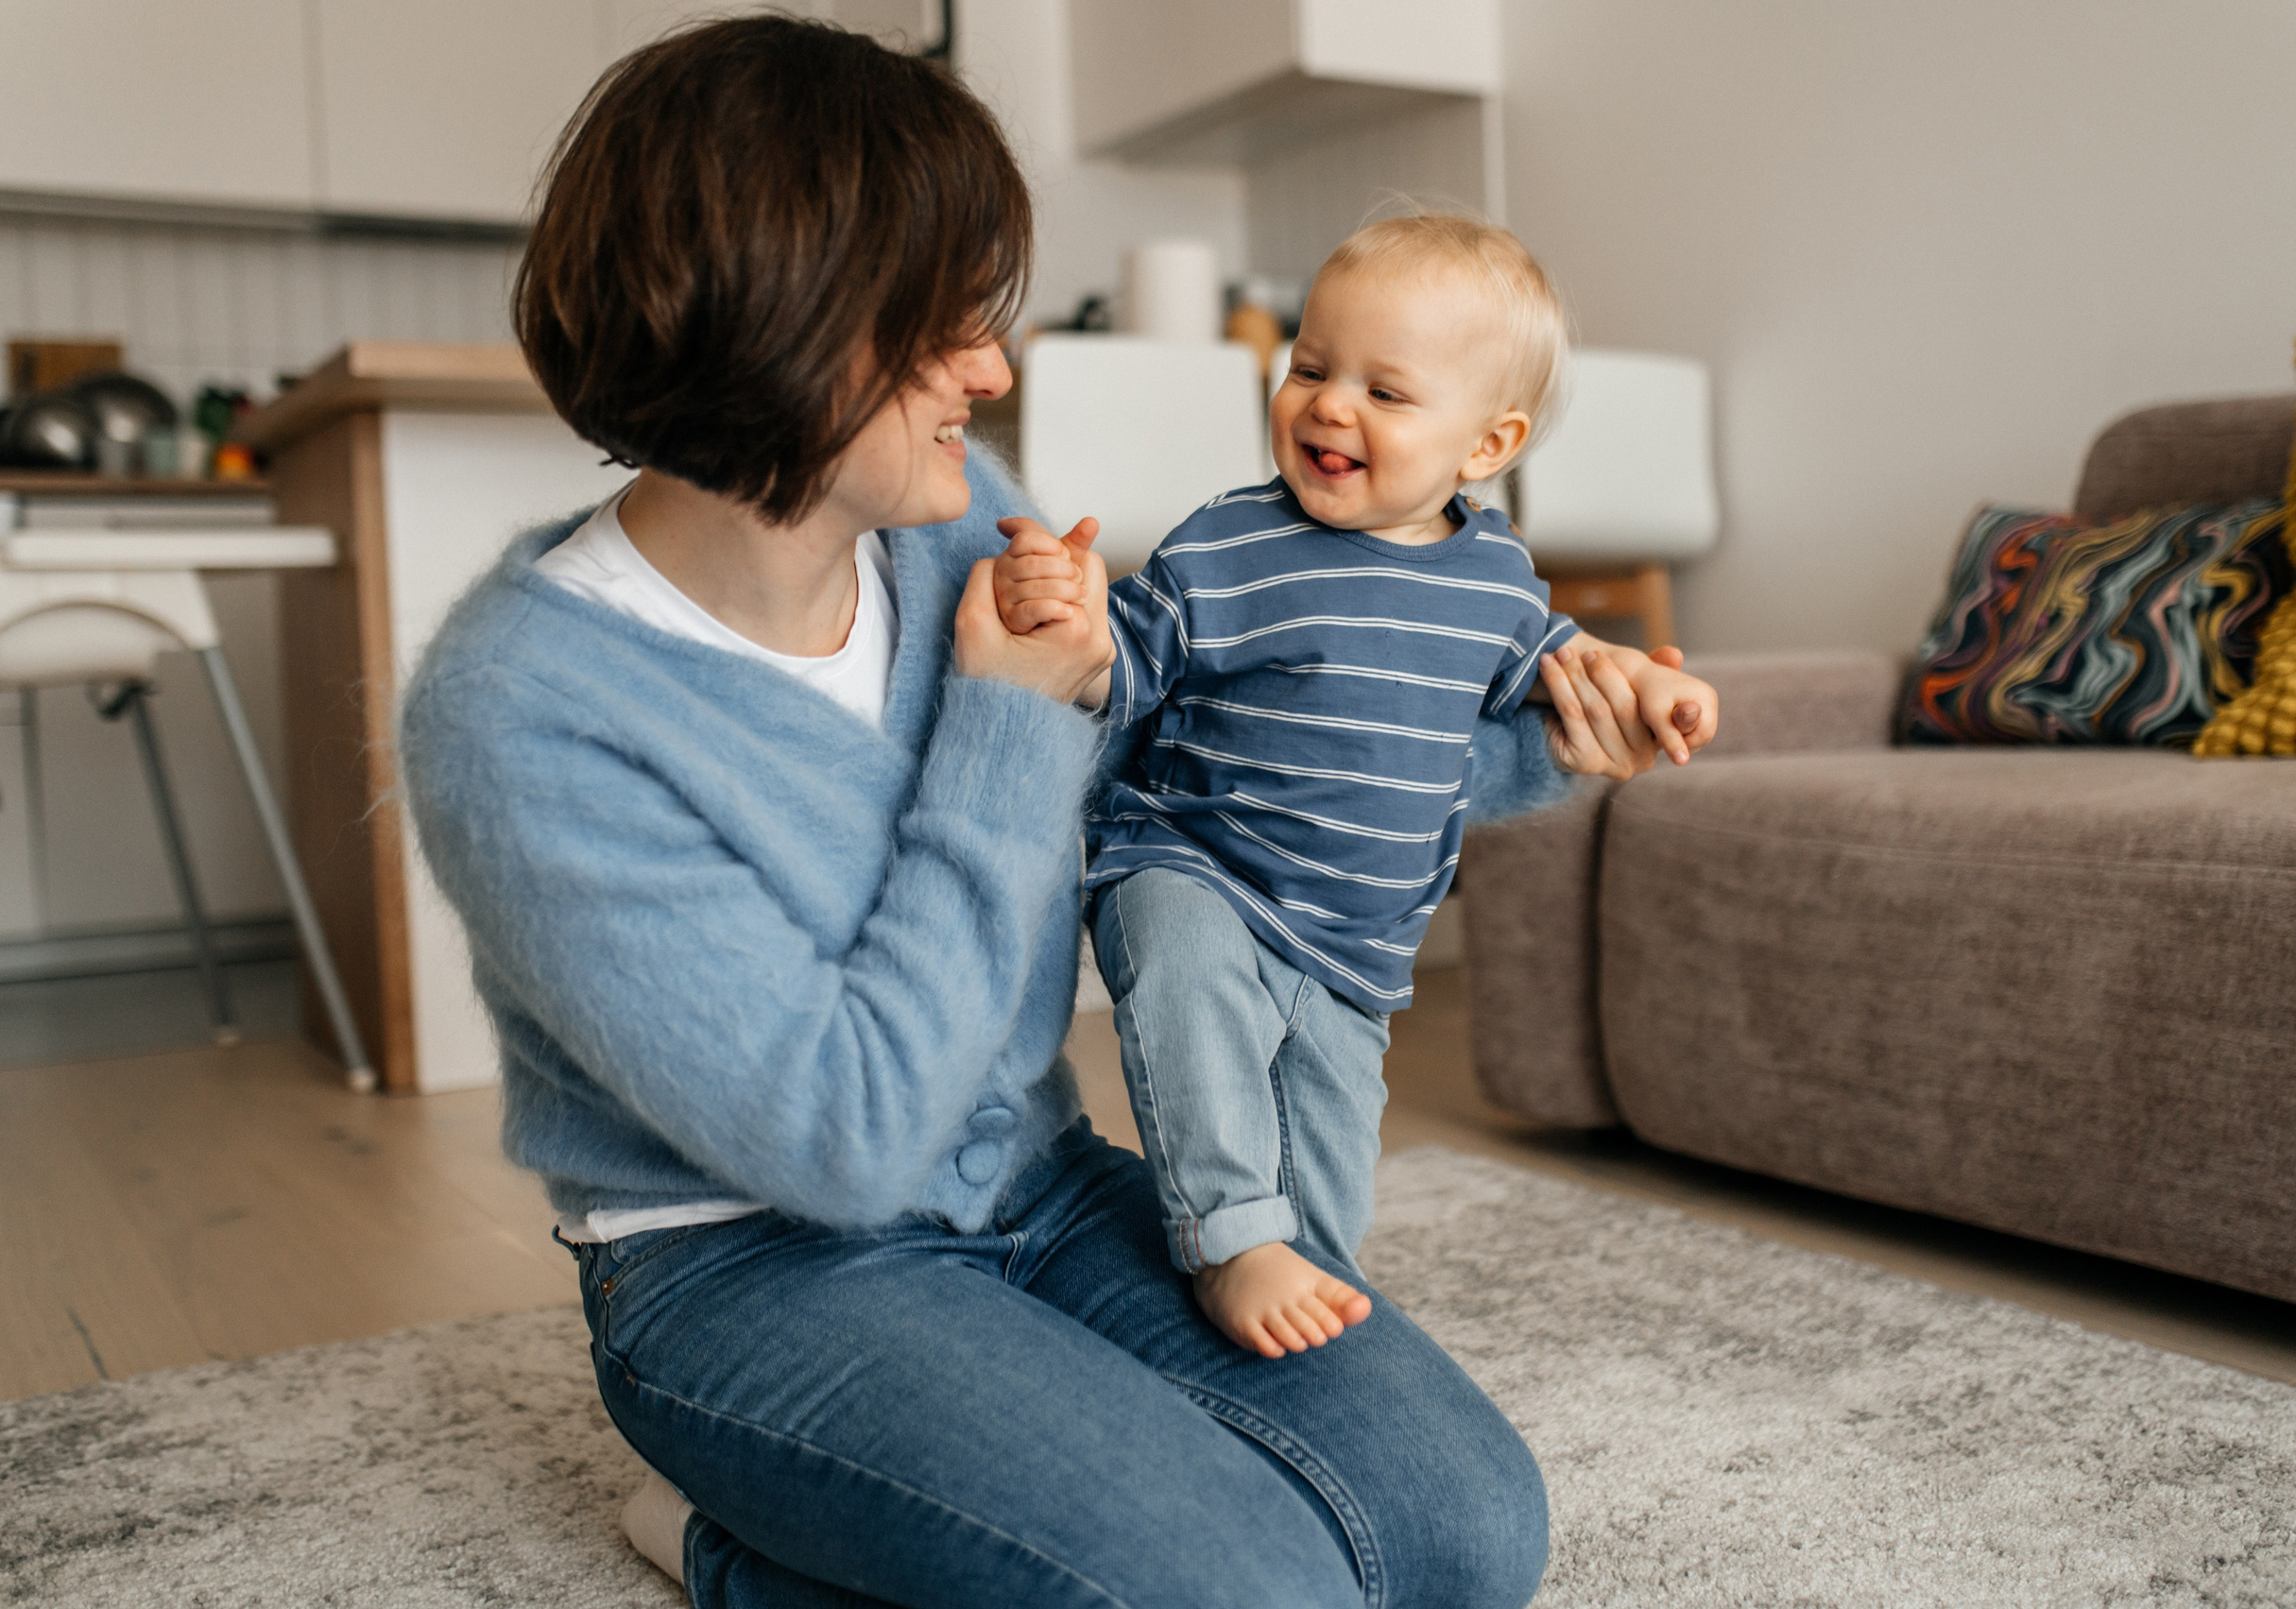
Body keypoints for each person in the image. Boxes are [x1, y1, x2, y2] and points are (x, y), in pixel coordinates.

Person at [399, 18, 1635, 1609]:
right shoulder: (524, 708)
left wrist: (1538, 749)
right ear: (791, 325)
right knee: (1258, 1591)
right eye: (944, 331)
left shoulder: (962, 516)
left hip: (1038, 1182)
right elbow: (842, 1146)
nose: (992, 372)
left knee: (1466, 1532)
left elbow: (1204, 794)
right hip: (761, 1263)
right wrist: (1001, 714)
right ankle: (715, 1539)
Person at [991, 214, 1722, 1359]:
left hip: (1357, 944)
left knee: (1327, 1187)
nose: (1330, 405)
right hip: (1195, 864)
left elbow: (1561, 677)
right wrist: (1068, 618)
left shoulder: (1497, 576)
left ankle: (1296, 1292)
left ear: (1486, 445)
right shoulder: (1230, 541)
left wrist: (1641, 688)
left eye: (1386, 391)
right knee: (1189, 996)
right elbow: (1117, 669)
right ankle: (1230, 1236)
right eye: (1311, 367)